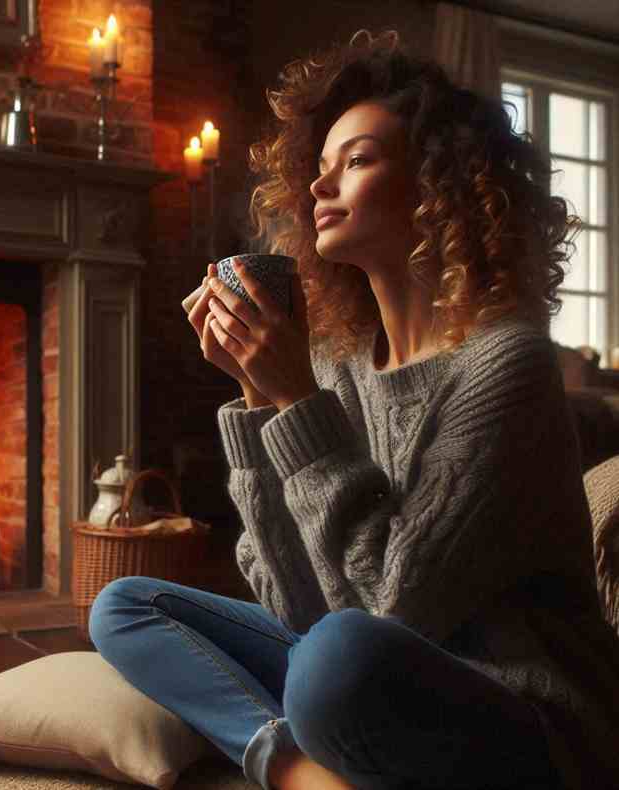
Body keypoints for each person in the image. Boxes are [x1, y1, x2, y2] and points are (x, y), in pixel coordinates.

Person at [90, 29, 619, 790]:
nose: (317, 188)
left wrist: (296, 400)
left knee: (337, 659)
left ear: (440, 189)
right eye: (321, 167)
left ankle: (296, 750)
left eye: (357, 160)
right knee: (126, 607)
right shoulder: (338, 363)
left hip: (524, 715)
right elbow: (293, 603)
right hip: (362, 669)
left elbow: (392, 610)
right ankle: (304, 770)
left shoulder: (507, 364)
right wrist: (255, 398)